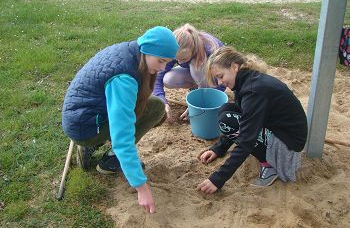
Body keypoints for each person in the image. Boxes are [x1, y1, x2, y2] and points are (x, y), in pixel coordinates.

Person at [61, 26, 179, 213]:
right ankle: (109, 160)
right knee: (154, 109)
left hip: (86, 113)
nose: (163, 68)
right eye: (161, 61)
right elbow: (122, 138)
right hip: (83, 125)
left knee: (155, 106)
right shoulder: (124, 78)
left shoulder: (131, 51)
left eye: (167, 63)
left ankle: (92, 144)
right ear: (147, 50)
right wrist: (141, 186)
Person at [197, 46, 308, 193]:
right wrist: (219, 148)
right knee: (225, 110)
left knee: (228, 120)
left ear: (234, 67)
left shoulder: (253, 91)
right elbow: (243, 116)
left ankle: (269, 166)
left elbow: (246, 140)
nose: (219, 82)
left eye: (220, 76)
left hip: (288, 146)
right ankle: (265, 156)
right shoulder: (246, 80)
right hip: (278, 129)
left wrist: (217, 179)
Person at [152, 23, 224, 122]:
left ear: (194, 49)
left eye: (183, 58)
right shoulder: (175, 48)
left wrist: (198, 106)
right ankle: (196, 88)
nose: (179, 62)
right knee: (169, 79)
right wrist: (162, 101)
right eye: (176, 59)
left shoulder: (211, 50)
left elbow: (223, 80)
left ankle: (203, 92)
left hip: (214, 78)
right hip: (198, 74)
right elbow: (158, 76)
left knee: (196, 67)